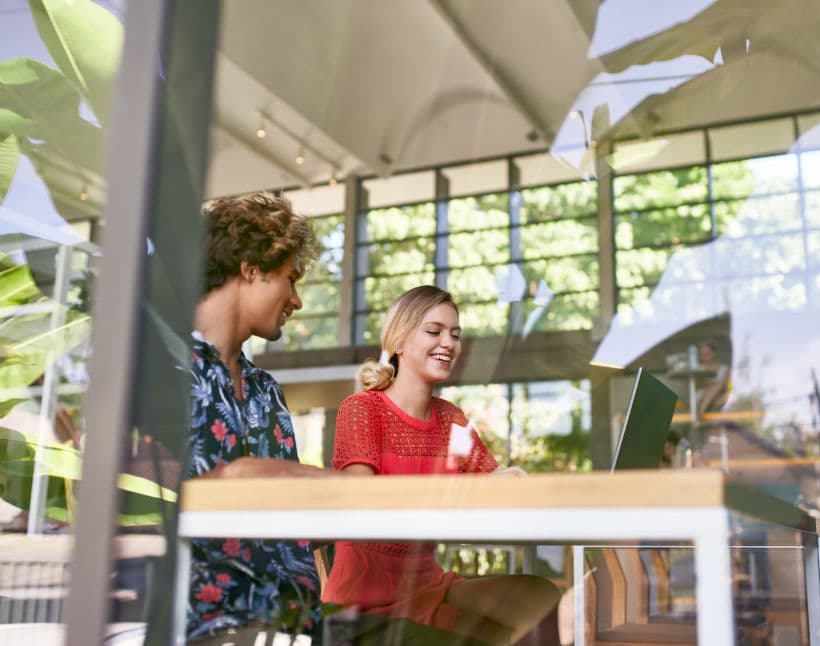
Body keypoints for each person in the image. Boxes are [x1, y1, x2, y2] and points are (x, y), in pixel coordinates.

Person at [321, 285, 561, 645]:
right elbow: (363, 500)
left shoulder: (452, 419)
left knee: (540, 595)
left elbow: (488, 478)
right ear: (399, 342)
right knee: (494, 634)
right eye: (434, 331)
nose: (448, 343)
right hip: (363, 602)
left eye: (455, 335)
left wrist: (506, 480)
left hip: (429, 586)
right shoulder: (362, 409)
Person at [184, 192, 328, 641]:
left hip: (294, 628)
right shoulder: (168, 370)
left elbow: (296, 517)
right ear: (251, 268)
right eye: (290, 279)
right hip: (210, 628)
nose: (296, 300)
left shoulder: (266, 390)